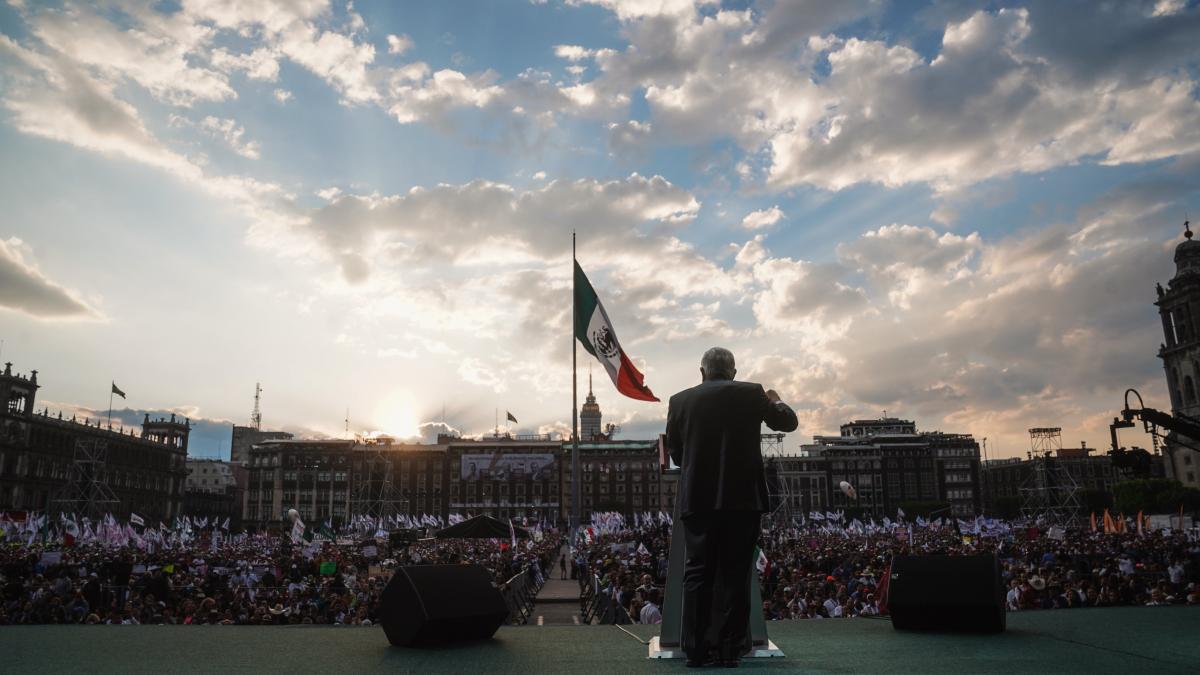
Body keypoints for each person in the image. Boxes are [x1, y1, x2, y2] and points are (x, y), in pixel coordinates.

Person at [664, 346, 798, 668]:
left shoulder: (680, 400)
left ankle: (696, 650)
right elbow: (789, 423)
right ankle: (729, 651)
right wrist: (776, 399)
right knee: (736, 574)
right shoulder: (752, 393)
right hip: (743, 500)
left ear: (701, 372)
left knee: (697, 573)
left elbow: (677, 455)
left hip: (698, 500)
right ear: (734, 373)